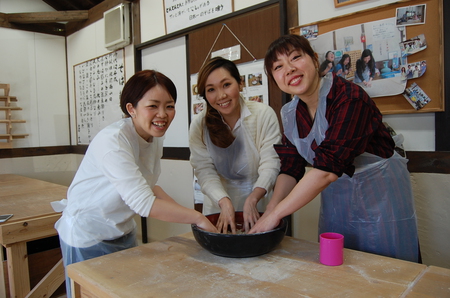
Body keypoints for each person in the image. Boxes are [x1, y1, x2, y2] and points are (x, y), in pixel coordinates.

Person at [249, 34, 420, 263]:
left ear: (314, 58)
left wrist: (278, 214)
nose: (289, 69)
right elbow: (292, 167)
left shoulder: (349, 97)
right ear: (274, 79)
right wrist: (271, 207)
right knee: (339, 268)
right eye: (278, 67)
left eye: (296, 58)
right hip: (337, 203)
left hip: (381, 200)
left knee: (386, 270)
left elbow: (328, 168)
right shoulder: (291, 114)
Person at [54, 70, 218, 297]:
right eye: (153, 106)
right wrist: (198, 217)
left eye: (169, 106)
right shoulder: (113, 141)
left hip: (122, 230)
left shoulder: (153, 137)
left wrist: (189, 216)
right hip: (89, 233)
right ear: (131, 109)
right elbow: (143, 203)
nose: (163, 114)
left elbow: (150, 187)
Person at [189, 57, 281, 234]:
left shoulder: (263, 115)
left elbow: (271, 162)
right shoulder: (199, 126)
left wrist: (253, 198)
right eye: (211, 90)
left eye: (226, 85)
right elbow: (204, 170)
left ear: (240, 84)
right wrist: (223, 201)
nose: (221, 96)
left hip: (258, 204)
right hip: (218, 208)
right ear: (205, 95)